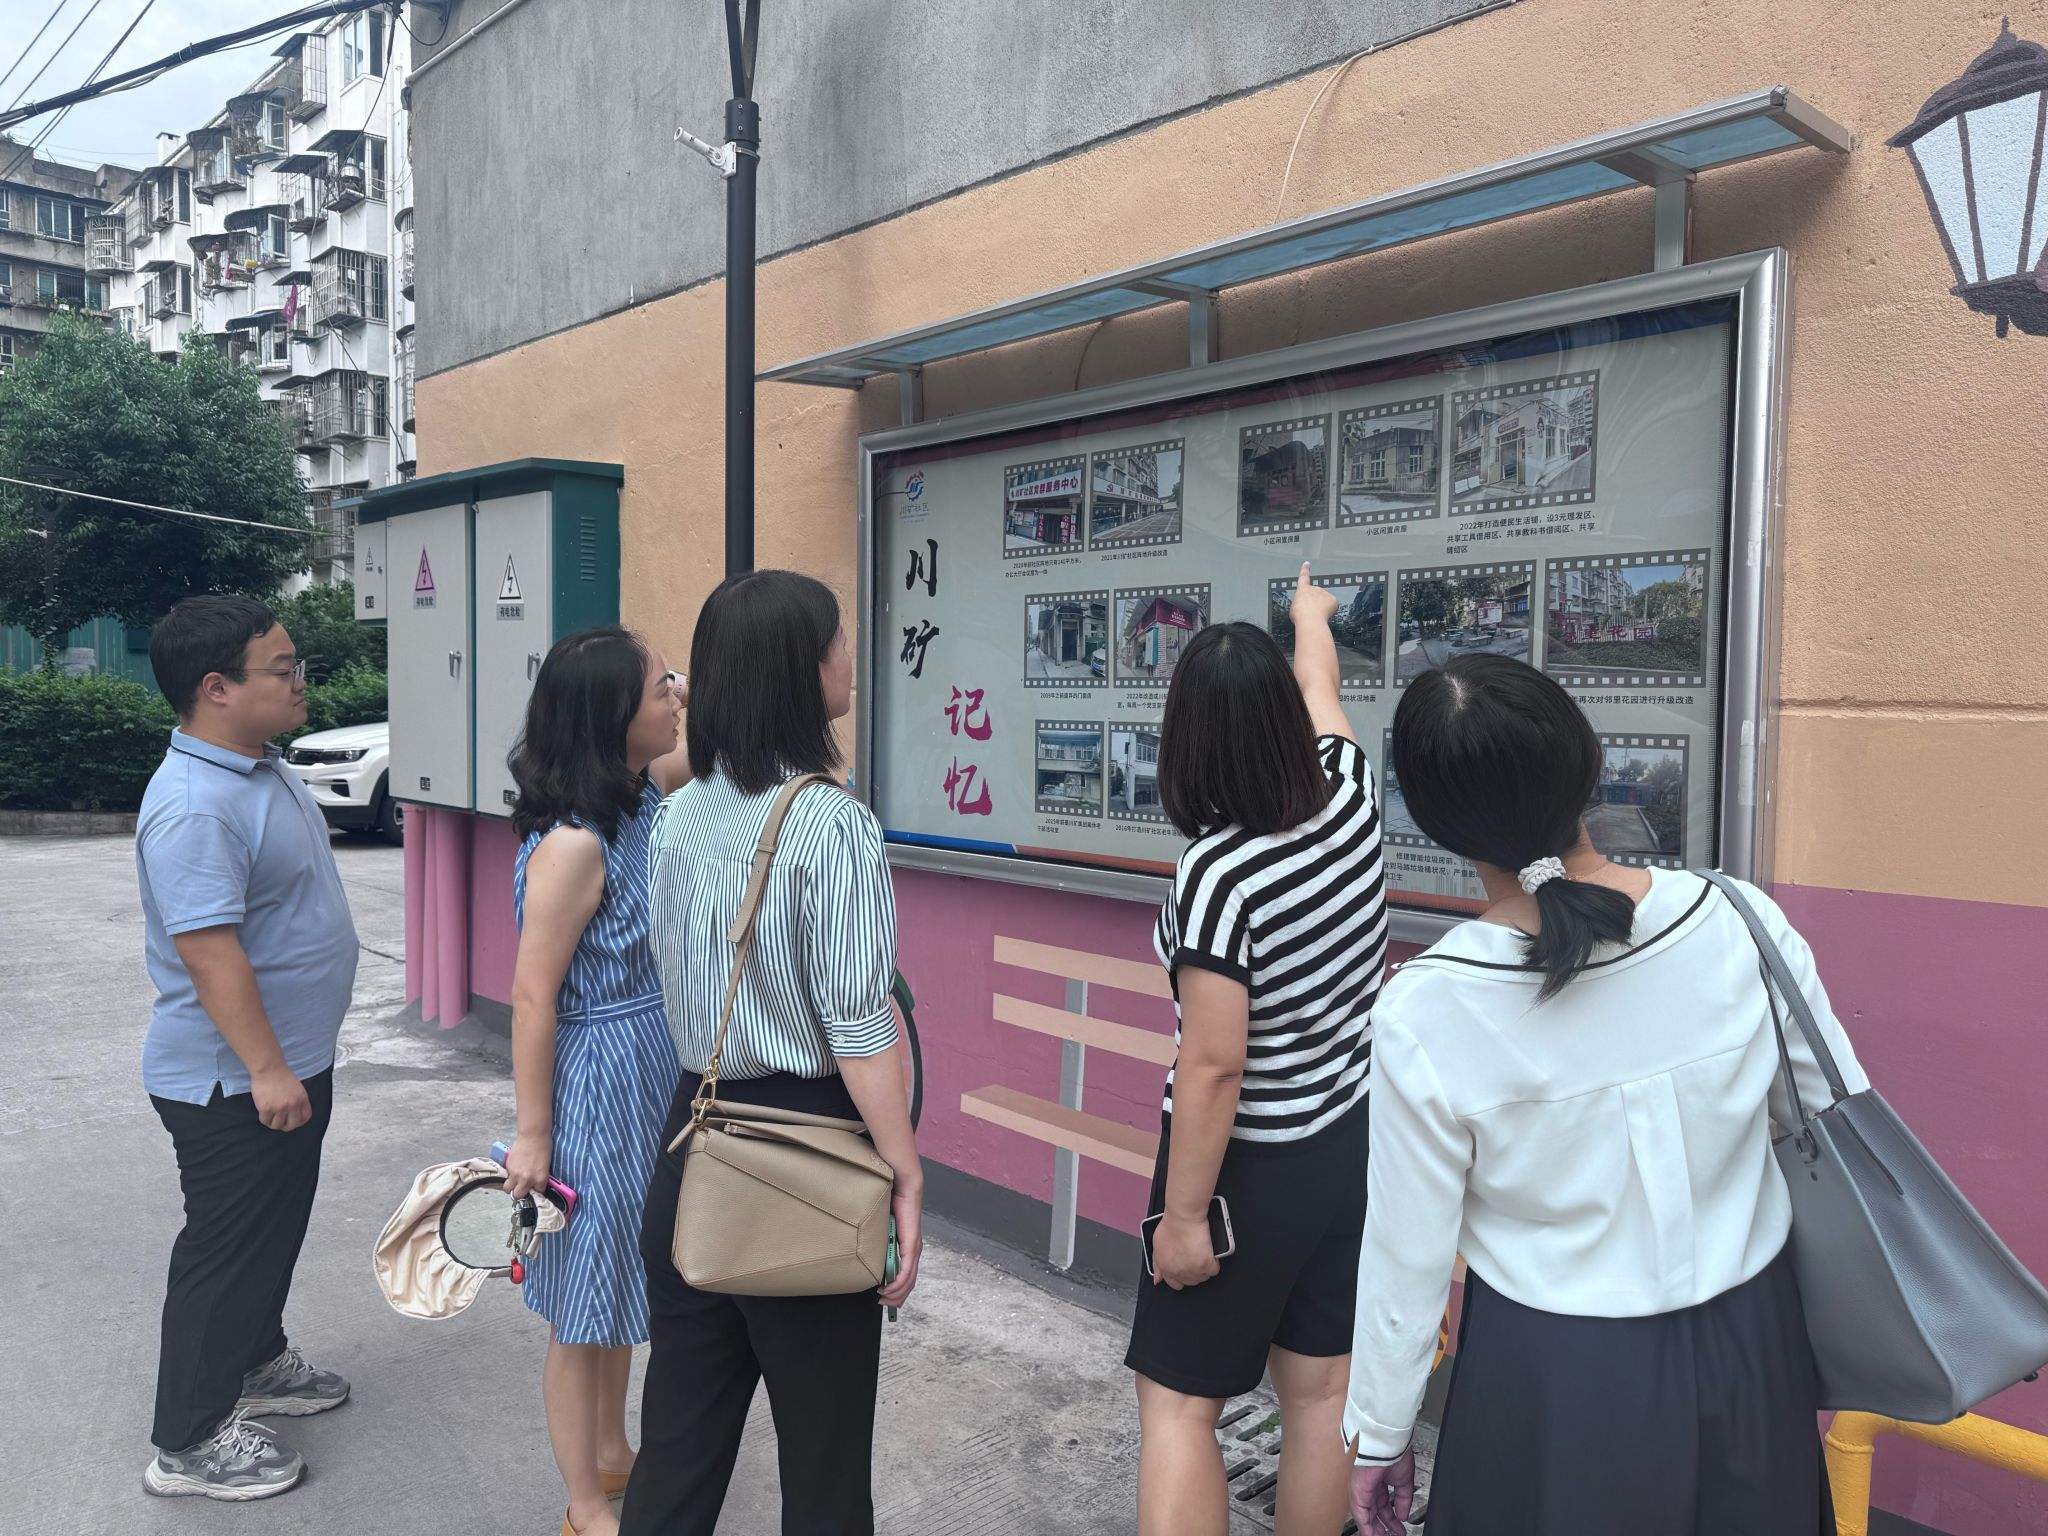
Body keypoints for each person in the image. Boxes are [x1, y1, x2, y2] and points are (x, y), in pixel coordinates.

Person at [1344, 653, 1861, 1536]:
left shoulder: (1426, 1009)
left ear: (1433, 822)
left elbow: (1407, 1251)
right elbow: (1836, 1117)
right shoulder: (1739, 920)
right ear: (1586, 763)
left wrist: (1382, 1431)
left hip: (1552, 1376)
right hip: (1757, 1347)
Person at [623, 569, 922, 1536]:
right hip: (808, 1151)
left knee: (678, 1445)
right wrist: (905, 1171)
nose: (848, 654)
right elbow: (861, 1027)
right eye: (837, 640)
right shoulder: (833, 824)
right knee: (825, 1468)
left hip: (697, 1134)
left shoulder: (678, 812)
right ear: (801, 669)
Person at [1129, 564, 1389, 1536]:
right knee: (1319, 1394)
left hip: (1246, 1167)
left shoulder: (1218, 873)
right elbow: (1322, 684)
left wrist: (1183, 1218)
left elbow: (1213, 1065)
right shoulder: (1350, 794)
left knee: (1177, 1406)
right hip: (1346, 1142)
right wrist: (1308, 615)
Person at [135, 595, 359, 1501]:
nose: (300, 681)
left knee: (272, 1229)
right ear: (216, 688)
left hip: (287, 1063)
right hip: (233, 1081)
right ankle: (187, 1441)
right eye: (282, 669)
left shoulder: (259, 769)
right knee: (225, 1251)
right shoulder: (195, 805)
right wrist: (267, 1068)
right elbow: (208, 950)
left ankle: (257, 1360)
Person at [505, 626, 695, 1536]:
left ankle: (614, 1452)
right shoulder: (575, 845)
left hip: (649, 1064)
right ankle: (584, 1505)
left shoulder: (639, 793)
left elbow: (714, 742)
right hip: (601, 1081)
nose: (676, 697)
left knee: (623, 1275)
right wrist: (533, 1134)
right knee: (581, 1304)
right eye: (662, 688)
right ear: (612, 718)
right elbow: (532, 996)